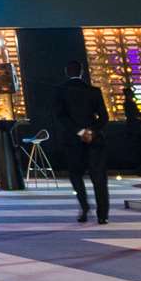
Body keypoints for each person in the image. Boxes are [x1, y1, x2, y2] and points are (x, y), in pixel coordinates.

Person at [50, 63, 112, 224]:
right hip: (94, 140)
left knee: (76, 175)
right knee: (99, 178)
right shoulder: (94, 91)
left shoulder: (60, 91)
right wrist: (91, 132)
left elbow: (61, 117)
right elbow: (104, 117)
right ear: (82, 72)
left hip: (73, 141)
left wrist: (79, 131)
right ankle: (103, 215)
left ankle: (84, 207)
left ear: (66, 72)